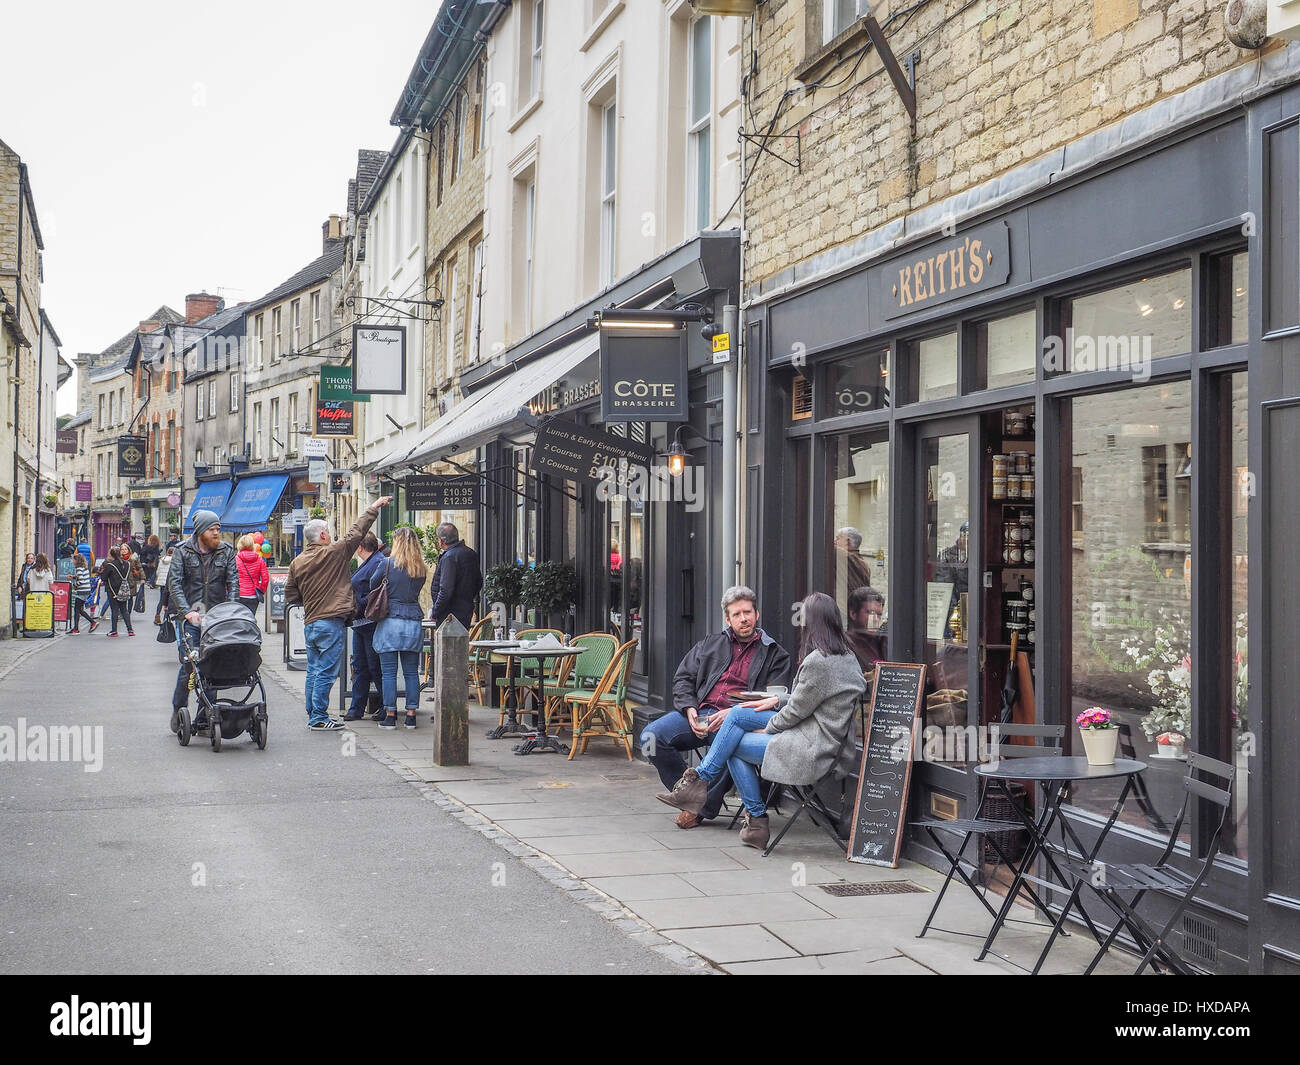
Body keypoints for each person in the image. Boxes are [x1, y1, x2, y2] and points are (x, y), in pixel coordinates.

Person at [658, 592, 867, 850]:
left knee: (734, 743)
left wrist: (766, 726)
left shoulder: (816, 661)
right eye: (737, 614)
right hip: (820, 735)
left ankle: (753, 816)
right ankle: (701, 785)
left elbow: (796, 713)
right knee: (737, 715)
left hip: (813, 747)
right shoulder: (846, 656)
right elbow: (814, 699)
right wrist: (777, 701)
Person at [642, 585, 793, 830]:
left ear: (757, 614)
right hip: (700, 714)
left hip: (740, 720)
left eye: (747, 612)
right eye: (737, 614)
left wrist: (734, 714)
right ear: (727, 619)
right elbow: (683, 679)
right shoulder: (710, 644)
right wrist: (689, 708)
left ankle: (702, 807)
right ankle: (690, 796)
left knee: (731, 740)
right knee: (650, 735)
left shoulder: (776, 654)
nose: (743, 618)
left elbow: (773, 701)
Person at [285, 496, 390, 731]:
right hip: (330, 622)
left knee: (313, 669)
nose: (331, 535)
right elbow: (357, 531)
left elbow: (291, 595)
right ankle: (319, 717)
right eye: (328, 532)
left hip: (311, 623)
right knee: (326, 671)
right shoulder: (334, 552)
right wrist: (373, 508)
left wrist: (312, 600)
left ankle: (313, 711)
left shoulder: (297, 562)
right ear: (322, 535)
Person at [166, 510, 238, 731]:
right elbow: (175, 584)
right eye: (212, 529)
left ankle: (204, 715)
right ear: (200, 532)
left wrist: (230, 610)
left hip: (216, 618)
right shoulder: (182, 551)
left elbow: (233, 582)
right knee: (190, 665)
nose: (217, 533)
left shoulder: (225, 551)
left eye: (218, 529)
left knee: (211, 666)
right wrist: (187, 611)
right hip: (191, 619)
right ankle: (179, 709)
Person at [370, 527, 429, 730]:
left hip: (390, 622)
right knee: (412, 672)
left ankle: (390, 715)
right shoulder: (420, 568)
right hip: (413, 621)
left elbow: (372, 584)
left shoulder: (386, 564)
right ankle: (411, 716)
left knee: (388, 673)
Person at [344, 532, 386, 721]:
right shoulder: (371, 561)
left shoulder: (377, 562)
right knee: (360, 666)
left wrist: (358, 602)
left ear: (360, 547)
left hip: (370, 622)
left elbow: (377, 592)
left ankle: (386, 706)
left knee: (374, 666)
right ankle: (356, 708)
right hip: (360, 623)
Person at [429, 522, 482, 632]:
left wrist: (436, 611)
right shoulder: (470, 553)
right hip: (465, 610)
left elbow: (445, 590)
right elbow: (478, 582)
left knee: (448, 647)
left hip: (449, 614)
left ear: (441, 541)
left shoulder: (449, 557)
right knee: (460, 645)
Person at [846, 585, 888, 671]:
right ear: (853, 614)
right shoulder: (844, 644)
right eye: (871, 613)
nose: (875, 619)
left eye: (879, 614)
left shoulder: (882, 643)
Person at [100, 547, 135, 637]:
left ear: (111, 555)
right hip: (124, 589)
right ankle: (130, 630)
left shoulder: (110, 565)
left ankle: (114, 630)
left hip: (113, 590)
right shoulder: (128, 564)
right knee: (124, 610)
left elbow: (103, 578)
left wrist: (101, 573)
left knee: (114, 610)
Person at [235, 534, 270, 615]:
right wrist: (261, 590)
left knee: (239, 619)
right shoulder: (259, 559)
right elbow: (265, 578)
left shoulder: (236, 559)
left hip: (239, 594)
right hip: (253, 595)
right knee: (251, 618)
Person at [833, 527, 872, 600]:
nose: (835, 541)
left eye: (838, 538)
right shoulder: (864, 564)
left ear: (847, 542)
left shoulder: (846, 557)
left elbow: (828, 545)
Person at [69, 554, 98, 633]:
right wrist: (74, 577)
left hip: (82, 591)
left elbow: (81, 581)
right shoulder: (84, 568)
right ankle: (76, 628)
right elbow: (83, 578)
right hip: (86, 590)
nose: (73, 561)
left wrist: (74, 586)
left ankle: (91, 622)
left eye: (74, 560)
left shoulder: (78, 569)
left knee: (77, 609)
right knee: (78, 609)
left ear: (77, 561)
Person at [153, 543, 174, 625]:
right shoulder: (174, 560)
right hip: (169, 583)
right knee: (168, 601)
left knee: (161, 600)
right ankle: (165, 618)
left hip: (162, 582)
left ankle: (157, 616)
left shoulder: (162, 560)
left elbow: (158, 571)